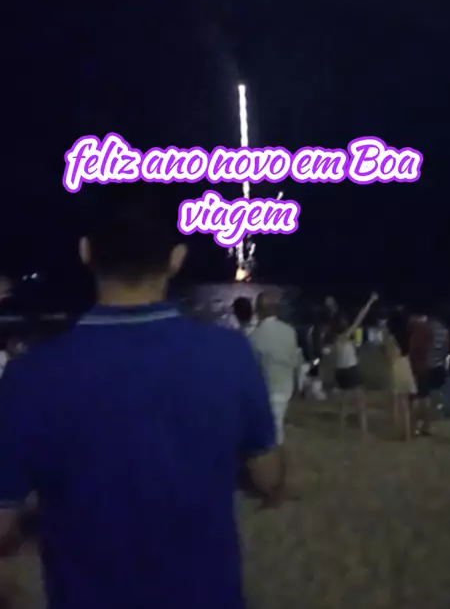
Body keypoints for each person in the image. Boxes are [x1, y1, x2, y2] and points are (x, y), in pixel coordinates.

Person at [0, 182, 284, 609]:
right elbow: (269, 477)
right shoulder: (230, 355)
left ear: (85, 252)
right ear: (177, 258)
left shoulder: (30, 375)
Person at [250, 291, 299, 461]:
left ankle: (275, 466)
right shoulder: (289, 331)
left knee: (273, 433)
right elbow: (295, 360)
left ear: (258, 310)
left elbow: (253, 369)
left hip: (267, 389)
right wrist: (298, 384)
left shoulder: (255, 337)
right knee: (277, 427)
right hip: (286, 387)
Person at [332, 291, 379, 436]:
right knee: (361, 403)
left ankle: (341, 431)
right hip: (350, 370)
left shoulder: (336, 339)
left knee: (344, 403)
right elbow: (360, 317)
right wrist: (370, 301)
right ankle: (364, 433)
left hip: (340, 371)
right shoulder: (345, 335)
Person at [384, 310, 416, 440]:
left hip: (396, 367)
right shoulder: (407, 336)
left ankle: (396, 431)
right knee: (405, 402)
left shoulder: (391, 339)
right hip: (406, 365)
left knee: (395, 403)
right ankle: (407, 433)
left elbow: (390, 357)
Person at [408, 310, 434, 435]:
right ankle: (426, 426)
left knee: (415, 399)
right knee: (426, 398)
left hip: (413, 367)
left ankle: (414, 427)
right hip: (424, 366)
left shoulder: (412, 329)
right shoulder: (428, 329)